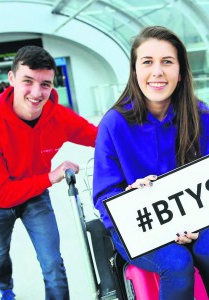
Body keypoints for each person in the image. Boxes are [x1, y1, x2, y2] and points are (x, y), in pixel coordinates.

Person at [93, 26, 209, 300]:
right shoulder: (113, 124)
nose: (157, 71)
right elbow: (104, 196)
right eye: (147, 62)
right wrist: (129, 196)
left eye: (167, 62)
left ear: (180, 73)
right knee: (177, 263)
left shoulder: (201, 116)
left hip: (198, 220)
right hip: (137, 226)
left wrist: (196, 222)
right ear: (135, 72)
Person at [0, 45, 98, 300]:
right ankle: (5, 288)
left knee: (53, 263)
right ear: (11, 80)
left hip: (35, 196)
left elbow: (101, 138)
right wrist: (51, 177)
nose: (36, 92)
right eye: (27, 81)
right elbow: (3, 195)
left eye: (45, 84)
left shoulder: (59, 117)